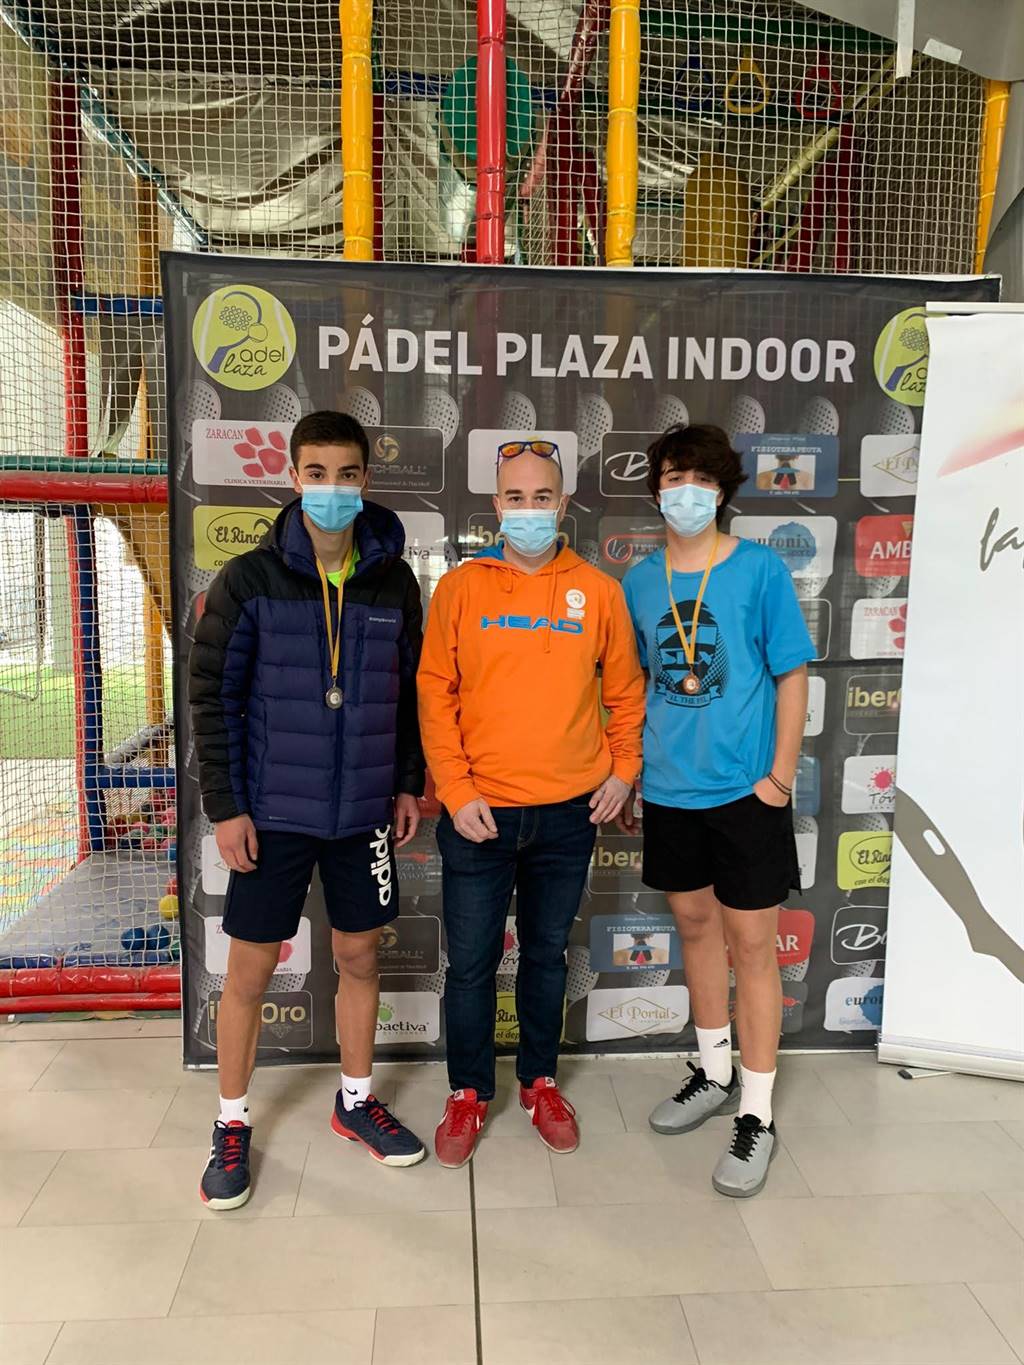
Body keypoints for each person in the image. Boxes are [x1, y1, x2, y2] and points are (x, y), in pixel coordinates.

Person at [188, 410, 427, 1209]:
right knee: (250, 970)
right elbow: (211, 699)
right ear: (293, 478)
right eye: (316, 473)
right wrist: (227, 806)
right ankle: (230, 1121)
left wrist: (406, 780)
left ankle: (355, 1102)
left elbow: (410, 697)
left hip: (362, 812)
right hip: (274, 814)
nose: (331, 488)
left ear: (366, 480)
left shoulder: (394, 580)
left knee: (360, 957)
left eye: (346, 474)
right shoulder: (248, 580)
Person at [417, 439, 646, 1167]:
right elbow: (434, 694)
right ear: (495, 506)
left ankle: (539, 1082)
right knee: (471, 965)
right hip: (478, 815)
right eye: (514, 498)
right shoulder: (461, 588)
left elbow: (625, 694)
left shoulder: (598, 591)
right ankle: (467, 1091)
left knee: (546, 956)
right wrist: (455, 790)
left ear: (563, 503)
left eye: (541, 497)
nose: (528, 510)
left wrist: (624, 770)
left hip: (570, 814)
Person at [621, 423, 814, 1198]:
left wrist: (779, 778)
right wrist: (635, 776)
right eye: (674, 477)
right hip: (671, 789)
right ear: (656, 490)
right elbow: (635, 684)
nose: (687, 491)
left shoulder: (759, 570)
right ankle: (713, 1071)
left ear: (724, 490)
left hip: (745, 793)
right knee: (696, 929)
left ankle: (757, 1114)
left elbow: (792, 673)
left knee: (753, 945)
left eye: (701, 478)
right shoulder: (639, 581)